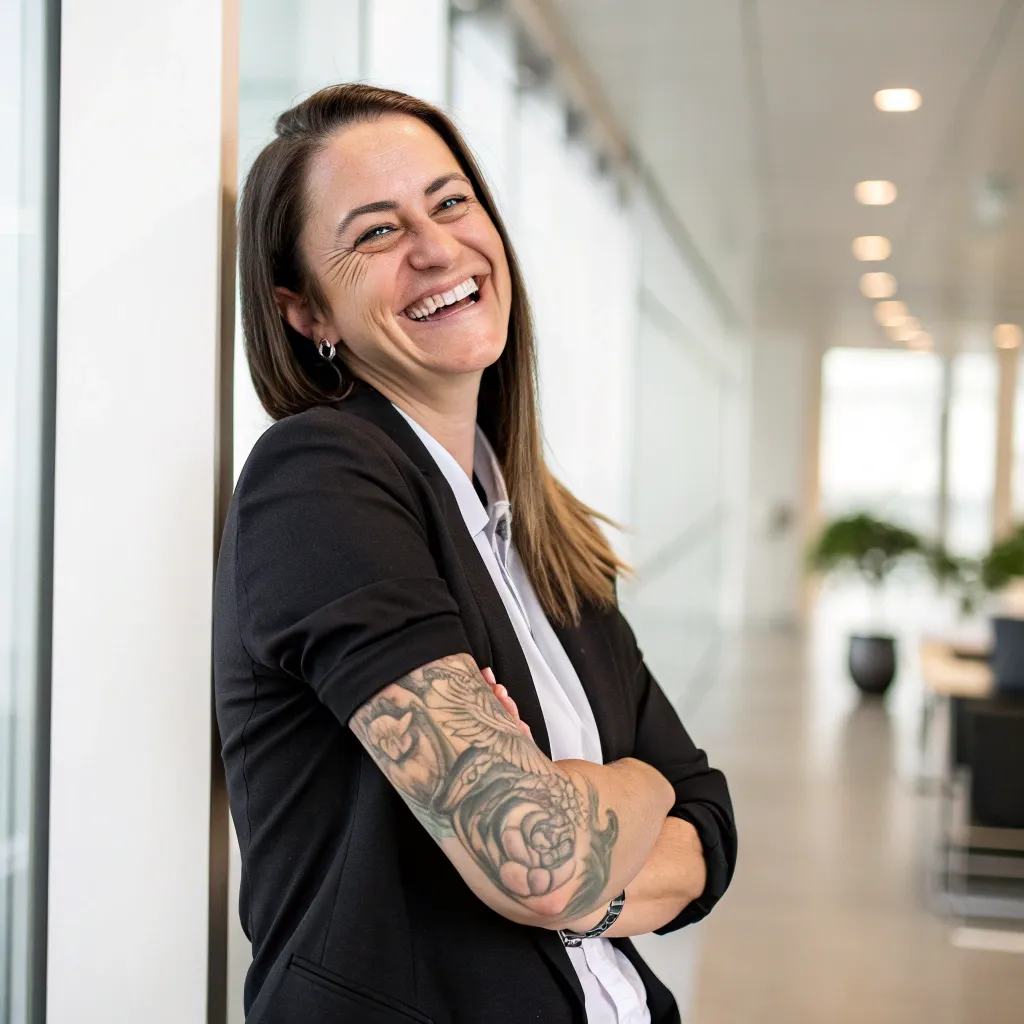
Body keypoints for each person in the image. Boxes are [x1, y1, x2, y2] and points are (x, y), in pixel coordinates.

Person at [214, 82, 736, 1024]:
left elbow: (710, 822)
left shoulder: (541, 530)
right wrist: (638, 789)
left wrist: (598, 854)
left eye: (450, 201)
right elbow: (540, 857)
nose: (435, 247)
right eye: (374, 233)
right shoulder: (317, 480)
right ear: (308, 314)